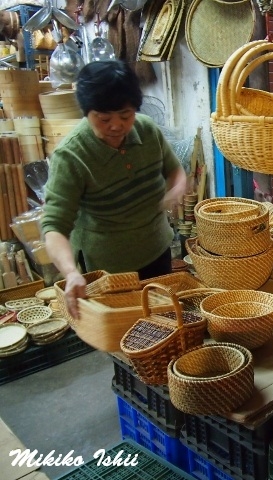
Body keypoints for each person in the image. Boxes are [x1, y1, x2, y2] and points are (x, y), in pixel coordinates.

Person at [41, 60, 187, 319]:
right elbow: (53, 228)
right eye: (104, 118)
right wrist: (71, 273)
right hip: (109, 269)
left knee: (163, 321)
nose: (116, 125)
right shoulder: (72, 156)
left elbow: (175, 171)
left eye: (126, 115)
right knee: (123, 332)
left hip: (156, 249)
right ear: (87, 112)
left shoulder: (147, 130)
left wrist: (177, 189)